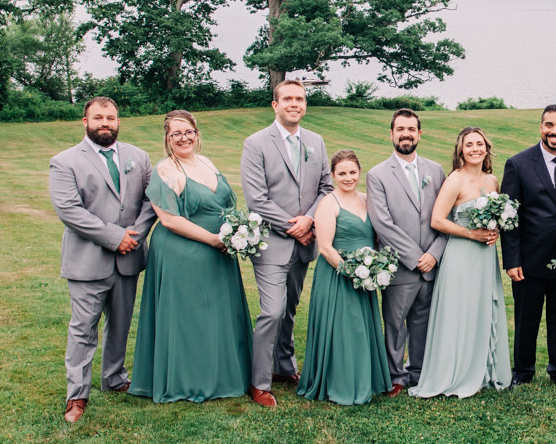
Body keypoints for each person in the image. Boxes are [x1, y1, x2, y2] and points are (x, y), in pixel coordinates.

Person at [129, 110, 253, 403]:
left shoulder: (206, 162)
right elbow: (169, 220)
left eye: (189, 132)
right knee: (190, 316)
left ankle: (222, 374)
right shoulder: (165, 170)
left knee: (216, 315)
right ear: (167, 138)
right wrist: (213, 240)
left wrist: (236, 233)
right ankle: (189, 381)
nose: (183, 138)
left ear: (197, 134)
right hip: (182, 252)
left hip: (219, 251)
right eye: (176, 133)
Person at [49, 96, 156, 423]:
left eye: (111, 117)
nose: (105, 123)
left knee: (121, 324)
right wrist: (114, 237)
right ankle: (77, 395)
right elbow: (70, 211)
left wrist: (133, 236)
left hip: (128, 258)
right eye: (98, 118)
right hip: (87, 260)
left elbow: (152, 201)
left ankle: (114, 378)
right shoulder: (65, 161)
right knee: (83, 329)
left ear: (118, 121)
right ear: (86, 122)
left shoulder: (139, 157)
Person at [240, 80, 333, 408]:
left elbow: (326, 188)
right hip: (272, 243)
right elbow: (256, 198)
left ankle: (284, 366)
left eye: (300, 99)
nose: (295, 104)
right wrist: (295, 227)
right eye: (288, 98)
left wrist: (309, 219)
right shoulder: (255, 143)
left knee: (289, 309)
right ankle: (259, 382)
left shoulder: (315, 141)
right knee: (272, 311)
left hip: (304, 243)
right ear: (275, 105)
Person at [410, 128, 513, 398]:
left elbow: (495, 217)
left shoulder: (492, 181)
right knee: (459, 311)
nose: (475, 149)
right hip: (460, 254)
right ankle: (455, 372)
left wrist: (494, 231)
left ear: (487, 148)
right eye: (469, 145)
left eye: (479, 144)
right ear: (461, 150)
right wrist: (471, 234)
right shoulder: (455, 179)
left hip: (485, 257)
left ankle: (482, 370)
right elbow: (438, 220)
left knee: (482, 308)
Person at [500, 105, 556, 386]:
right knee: (526, 317)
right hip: (530, 257)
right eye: (549, 125)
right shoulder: (518, 164)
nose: (555, 131)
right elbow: (509, 217)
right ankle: (523, 371)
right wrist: (512, 260)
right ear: (541, 127)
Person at [297, 150, 391, 405]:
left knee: (361, 327)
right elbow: (325, 247)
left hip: (365, 275)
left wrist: (372, 270)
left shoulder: (368, 199)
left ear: (360, 172)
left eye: (352, 172)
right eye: (342, 173)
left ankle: (365, 379)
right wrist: (353, 273)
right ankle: (341, 382)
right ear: (333, 175)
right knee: (343, 329)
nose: (348, 178)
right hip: (337, 275)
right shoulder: (329, 203)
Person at [366, 109, 448, 397]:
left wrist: (434, 254)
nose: (406, 134)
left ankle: (419, 372)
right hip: (400, 266)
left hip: (432, 263)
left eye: (411, 129)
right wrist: (416, 258)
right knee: (395, 323)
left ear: (419, 134)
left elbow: (445, 215)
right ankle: (395, 375)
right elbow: (383, 224)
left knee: (423, 321)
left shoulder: (436, 171)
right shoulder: (377, 175)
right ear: (391, 134)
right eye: (400, 129)